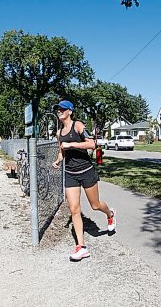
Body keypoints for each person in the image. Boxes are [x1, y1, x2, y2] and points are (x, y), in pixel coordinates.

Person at [51, 100, 115, 261]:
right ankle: (81, 247)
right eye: (57, 110)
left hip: (86, 171)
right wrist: (58, 161)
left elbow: (92, 144)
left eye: (62, 109)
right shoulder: (59, 133)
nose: (59, 112)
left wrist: (71, 144)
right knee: (74, 209)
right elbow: (62, 152)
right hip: (70, 173)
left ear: (70, 112)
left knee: (95, 205)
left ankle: (110, 213)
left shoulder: (78, 125)